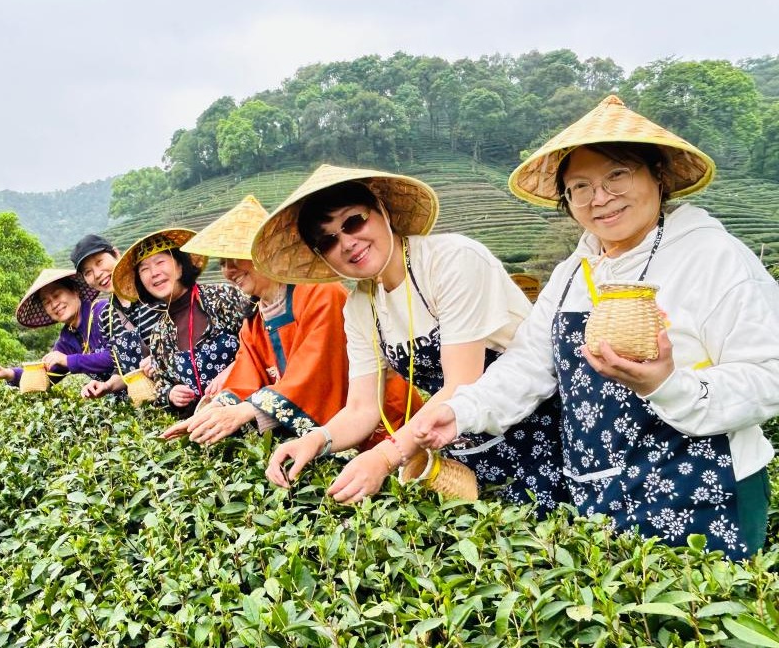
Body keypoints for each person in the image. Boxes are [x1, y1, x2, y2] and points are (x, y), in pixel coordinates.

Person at [416, 95, 779, 557]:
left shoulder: (714, 257)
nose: (600, 198)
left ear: (658, 175)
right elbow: (528, 364)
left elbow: (769, 374)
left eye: (617, 175)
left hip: (705, 491)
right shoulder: (573, 273)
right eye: (580, 186)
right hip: (602, 497)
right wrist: (463, 411)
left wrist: (669, 386)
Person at [256, 165, 567, 509]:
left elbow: (461, 383)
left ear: (383, 211)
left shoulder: (450, 261)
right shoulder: (361, 306)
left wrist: (385, 457)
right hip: (459, 444)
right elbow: (362, 408)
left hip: (533, 427)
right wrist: (316, 440)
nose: (347, 243)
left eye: (353, 222)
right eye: (328, 241)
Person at [160, 195, 418, 445]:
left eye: (234, 258)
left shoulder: (320, 293)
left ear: (265, 252)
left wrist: (245, 411)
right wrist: (212, 411)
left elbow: (314, 372)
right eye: (222, 262)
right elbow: (246, 374)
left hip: (386, 423)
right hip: (332, 436)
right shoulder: (254, 318)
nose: (228, 270)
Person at [110, 228, 249, 415]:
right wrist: (170, 394)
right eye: (144, 269)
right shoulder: (159, 334)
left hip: (249, 411)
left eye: (160, 262)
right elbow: (161, 385)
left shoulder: (222, 297)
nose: (154, 273)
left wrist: (234, 369)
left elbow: (262, 339)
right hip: (205, 425)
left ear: (181, 265)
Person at [0, 268, 113, 387]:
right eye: (46, 302)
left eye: (57, 295)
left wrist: (67, 360)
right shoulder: (66, 340)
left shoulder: (105, 312)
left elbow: (117, 357)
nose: (54, 305)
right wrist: (8, 373)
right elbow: (44, 377)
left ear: (75, 291)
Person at [69, 234, 162, 399]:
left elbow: (192, 338)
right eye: (88, 272)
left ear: (116, 254)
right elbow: (123, 370)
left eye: (99, 262)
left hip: (185, 395)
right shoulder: (106, 317)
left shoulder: (155, 290)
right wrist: (107, 386)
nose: (97, 274)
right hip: (150, 405)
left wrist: (163, 359)